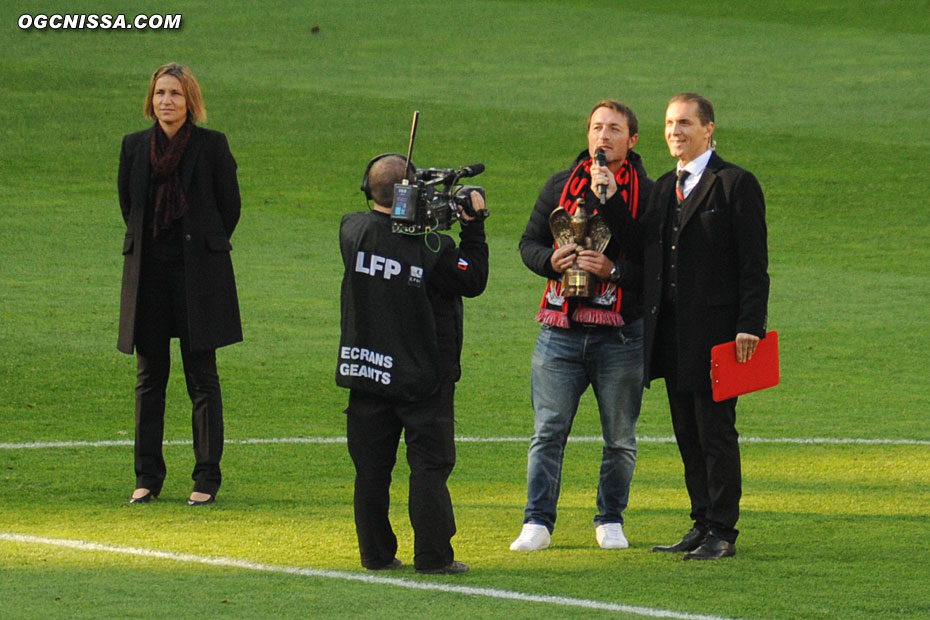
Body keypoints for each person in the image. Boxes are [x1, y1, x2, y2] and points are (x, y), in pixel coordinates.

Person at [511, 100, 653, 552]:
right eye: (596, 128)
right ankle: (537, 521)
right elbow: (528, 243)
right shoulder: (560, 186)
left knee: (620, 437)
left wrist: (613, 271)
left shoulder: (647, 193)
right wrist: (550, 261)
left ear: (631, 141)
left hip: (622, 334)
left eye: (614, 129)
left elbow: (650, 265)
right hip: (560, 329)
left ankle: (610, 517)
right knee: (548, 430)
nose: (602, 137)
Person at [337, 154, 488, 574]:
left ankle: (375, 554)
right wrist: (473, 229)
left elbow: (382, 233)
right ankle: (434, 557)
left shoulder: (352, 230)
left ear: (368, 190)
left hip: (366, 371)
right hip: (423, 377)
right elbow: (473, 279)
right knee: (428, 469)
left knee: (370, 471)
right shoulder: (435, 247)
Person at [642, 93, 769, 560]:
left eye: (686, 123)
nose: (676, 131)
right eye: (670, 123)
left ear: (709, 129)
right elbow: (646, 252)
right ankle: (701, 521)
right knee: (685, 432)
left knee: (715, 432)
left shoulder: (735, 184)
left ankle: (723, 530)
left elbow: (754, 263)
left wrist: (750, 323)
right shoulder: (661, 188)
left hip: (719, 334)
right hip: (670, 335)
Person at [117, 63, 242, 507]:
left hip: (198, 280)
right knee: (150, 379)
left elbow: (230, 208)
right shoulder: (134, 147)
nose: (165, 101)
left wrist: (201, 250)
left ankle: (206, 478)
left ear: (190, 100)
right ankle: (147, 477)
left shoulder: (211, 146)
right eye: (159, 93)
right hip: (149, 277)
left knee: (202, 379)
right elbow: (128, 206)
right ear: (151, 100)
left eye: (174, 93)